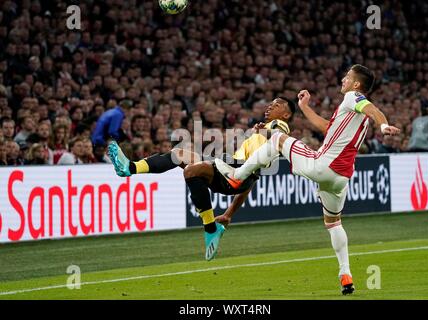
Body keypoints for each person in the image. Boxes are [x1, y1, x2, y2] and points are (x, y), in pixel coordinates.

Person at [214, 65, 401, 295]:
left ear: (356, 84)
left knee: (277, 139)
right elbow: (327, 127)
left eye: (348, 77)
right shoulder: (353, 114)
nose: (343, 79)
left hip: (323, 166)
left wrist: (382, 124)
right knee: (334, 223)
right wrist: (304, 107)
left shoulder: (354, 97)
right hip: (341, 179)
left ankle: (236, 177)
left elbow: (373, 109)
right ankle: (346, 275)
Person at [108, 97, 295, 260]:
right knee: (179, 154)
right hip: (233, 171)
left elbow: (281, 136)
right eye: (270, 104)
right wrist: (229, 215)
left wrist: (265, 131)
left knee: (190, 171)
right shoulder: (260, 138)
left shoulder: (277, 126)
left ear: (286, 115)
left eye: (277, 105)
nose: (270, 107)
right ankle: (129, 168)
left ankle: (210, 229)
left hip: (234, 172)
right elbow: (249, 180)